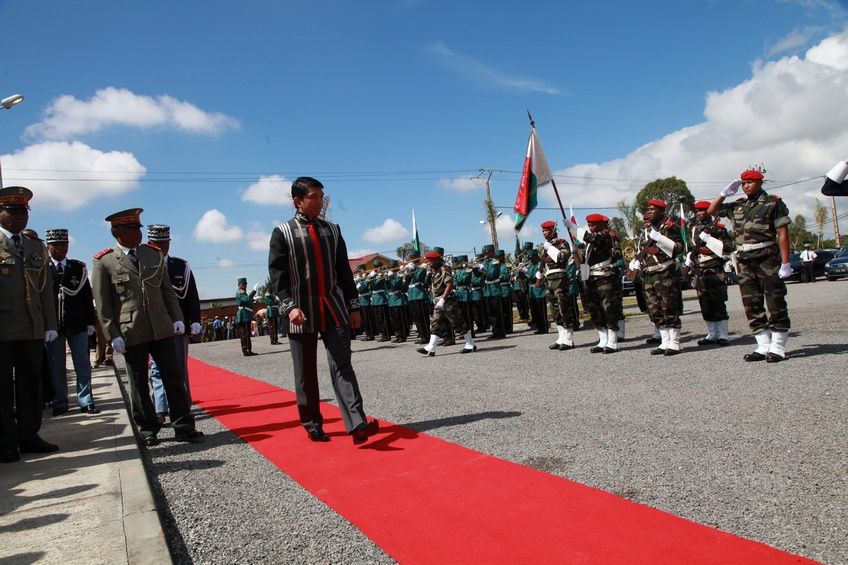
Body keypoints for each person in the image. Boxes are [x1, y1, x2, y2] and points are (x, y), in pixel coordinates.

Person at [268, 177, 378, 444]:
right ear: (298, 201)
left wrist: (354, 306)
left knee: (343, 364)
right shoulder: (282, 232)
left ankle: (356, 423)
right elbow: (277, 277)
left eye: (321, 196)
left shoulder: (333, 230)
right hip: (300, 311)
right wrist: (289, 307)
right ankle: (312, 422)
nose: (320, 202)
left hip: (333, 306)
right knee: (305, 371)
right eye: (314, 197)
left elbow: (344, 272)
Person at [91, 208, 202, 446]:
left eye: (138, 228)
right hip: (131, 331)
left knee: (174, 378)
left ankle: (183, 425)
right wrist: (112, 334)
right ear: (116, 231)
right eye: (131, 229)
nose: (137, 233)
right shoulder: (105, 262)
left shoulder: (152, 255)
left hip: (161, 327)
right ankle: (147, 428)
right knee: (138, 382)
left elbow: (167, 292)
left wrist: (177, 317)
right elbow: (103, 304)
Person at [0, 186, 60, 462]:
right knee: (3, 387)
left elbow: (45, 289)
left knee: (31, 383)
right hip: (3, 327)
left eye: (23, 211)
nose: (19, 217)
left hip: (32, 325)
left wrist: (49, 323)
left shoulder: (35, 246)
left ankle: (29, 435)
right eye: (13, 211)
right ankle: (6, 442)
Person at [709, 169, 792, 362]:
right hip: (744, 260)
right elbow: (711, 211)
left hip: (766, 258)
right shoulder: (739, 205)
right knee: (751, 304)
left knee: (775, 302)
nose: (746, 185)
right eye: (743, 182)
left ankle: (778, 346)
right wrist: (723, 194)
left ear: (760, 182)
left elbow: (783, 234)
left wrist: (786, 263)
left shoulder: (773, 203)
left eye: (750, 182)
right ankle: (763, 345)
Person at [145, 224, 203, 421]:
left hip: (179, 326)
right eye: (158, 243)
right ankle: (161, 409)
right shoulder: (143, 266)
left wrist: (195, 320)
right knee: (156, 369)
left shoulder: (180, 266)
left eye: (165, 243)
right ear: (149, 243)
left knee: (179, 367)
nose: (162, 247)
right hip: (155, 326)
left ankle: (183, 405)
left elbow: (192, 296)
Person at [44, 228, 99, 416]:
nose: (59, 249)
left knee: (82, 364)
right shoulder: (42, 267)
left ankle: (86, 400)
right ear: (48, 246)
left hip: (77, 323)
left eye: (63, 244)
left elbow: (86, 296)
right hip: (53, 326)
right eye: (55, 245)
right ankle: (60, 401)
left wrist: (90, 321)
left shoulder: (78, 268)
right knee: (56, 366)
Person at [629, 200, 684, 355]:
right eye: (648, 209)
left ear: (661, 211)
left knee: (669, 307)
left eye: (653, 209)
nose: (649, 211)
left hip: (664, 272)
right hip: (648, 273)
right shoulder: (645, 232)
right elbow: (643, 251)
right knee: (655, 309)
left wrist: (660, 238)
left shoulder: (670, 228)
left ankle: (674, 342)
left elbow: (678, 248)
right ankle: (664, 341)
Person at [683, 201, 733, 346]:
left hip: (713, 266)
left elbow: (728, 247)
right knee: (704, 301)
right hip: (699, 268)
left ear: (709, 212)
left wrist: (709, 242)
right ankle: (712, 333)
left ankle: (723, 334)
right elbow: (694, 249)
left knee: (718, 300)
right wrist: (689, 263)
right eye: (697, 211)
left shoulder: (718, 228)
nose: (698, 213)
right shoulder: (695, 229)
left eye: (702, 211)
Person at [416, 249, 477, 356]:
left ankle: (470, 344)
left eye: (430, 261)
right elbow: (427, 284)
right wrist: (429, 274)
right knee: (435, 323)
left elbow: (449, 285)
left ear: (436, 260)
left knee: (458, 323)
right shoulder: (434, 270)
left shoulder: (445, 269)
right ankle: (431, 347)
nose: (428, 263)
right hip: (438, 301)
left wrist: (443, 299)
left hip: (448, 301)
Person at [580, 215, 624, 353]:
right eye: (589, 225)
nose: (590, 227)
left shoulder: (606, 236)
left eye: (593, 225)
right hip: (591, 277)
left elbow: (596, 240)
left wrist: (574, 229)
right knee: (595, 309)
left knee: (609, 308)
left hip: (605, 277)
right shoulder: (589, 243)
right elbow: (584, 260)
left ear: (601, 225)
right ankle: (603, 339)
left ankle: (612, 341)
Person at [539, 220, 578, 350]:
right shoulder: (545, 246)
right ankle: (561, 337)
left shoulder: (561, 242)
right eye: (543, 231)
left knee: (564, 308)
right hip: (549, 279)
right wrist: (541, 274)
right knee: (554, 310)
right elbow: (544, 264)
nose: (544, 233)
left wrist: (550, 248)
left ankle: (569, 339)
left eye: (546, 231)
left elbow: (563, 257)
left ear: (553, 230)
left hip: (560, 278)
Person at [235, 278, 257, 356]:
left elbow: (248, 301)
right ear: (239, 285)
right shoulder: (240, 292)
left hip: (246, 314)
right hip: (243, 315)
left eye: (246, 284)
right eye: (243, 284)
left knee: (248, 334)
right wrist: (253, 291)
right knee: (244, 334)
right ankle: (245, 351)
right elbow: (247, 299)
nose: (245, 286)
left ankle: (249, 350)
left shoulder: (243, 292)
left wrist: (253, 299)